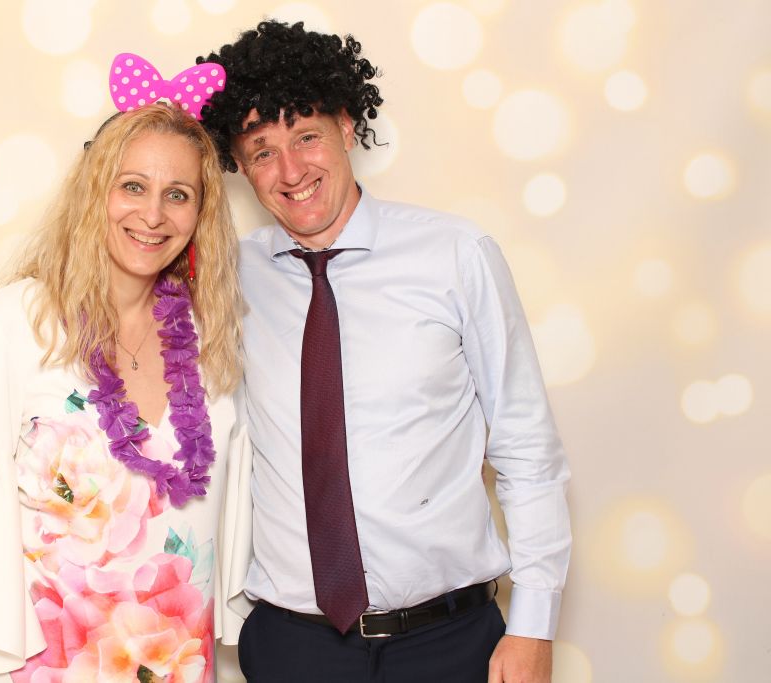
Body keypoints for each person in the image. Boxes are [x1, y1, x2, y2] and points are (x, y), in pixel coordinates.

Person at [198, 21, 572, 683]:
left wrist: (534, 624)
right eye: (261, 151)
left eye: (306, 136)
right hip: (293, 649)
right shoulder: (226, 278)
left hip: (450, 643)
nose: (291, 171)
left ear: (347, 126)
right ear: (239, 164)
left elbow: (526, 447)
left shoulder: (456, 256)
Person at [0, 83, 250, 681]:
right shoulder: (16, 322)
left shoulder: (214, 338)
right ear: (94, 190)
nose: (153, 215)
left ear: (200, 214)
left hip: (178, 665)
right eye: (133, 186)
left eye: (177, 195)